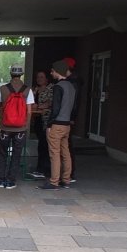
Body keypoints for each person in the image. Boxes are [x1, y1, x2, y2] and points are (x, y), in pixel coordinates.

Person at [0, 64, 34, 189]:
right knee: (16, 154)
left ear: (11, 74)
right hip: (20, 128)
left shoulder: (3, 89)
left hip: (5, 127)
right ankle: (10, 181)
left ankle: (0, 180)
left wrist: (2, 111)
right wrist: (26, 125)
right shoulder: (28, 90)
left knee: (2, 153)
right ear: (21, 75)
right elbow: (29, 111)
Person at [37, 59, 77, 190]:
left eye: (53, 71)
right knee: (66, 153)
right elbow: (73, 106)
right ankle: (66, 180)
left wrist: (50, 124)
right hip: (66, 124)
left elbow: (55, 107)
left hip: (57, 123)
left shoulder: (58, 87)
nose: (51, 73)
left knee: (54, 153)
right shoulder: (71, 86)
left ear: (58, 71)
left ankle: (54, 181)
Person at [29, 70, 54, 179]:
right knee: (41, 142)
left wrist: (39, 106)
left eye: (42, 77)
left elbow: (51, 102)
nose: (39, 79)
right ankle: (42, 168)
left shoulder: (51, 88)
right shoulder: (34, 89)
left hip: (47, 120)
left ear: (47, 78)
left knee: (44, 144)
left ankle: (44, 169)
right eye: (38, 77)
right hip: (37, 119)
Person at [64, 57, 83, 183]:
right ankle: (69, 173)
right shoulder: (74, 81)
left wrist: (71, 118)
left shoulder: (72, 82)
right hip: (69, 117)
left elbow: (74, 102)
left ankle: (70, 173)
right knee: (66, 145)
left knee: (67, 146)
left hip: (68, 117)